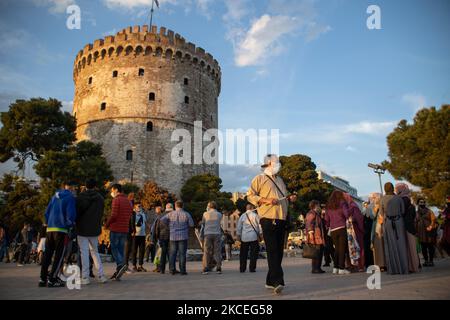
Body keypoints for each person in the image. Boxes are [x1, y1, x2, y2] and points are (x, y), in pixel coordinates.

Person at [247, 154, 297, 294]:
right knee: (273, 250)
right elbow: (250, 196)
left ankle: (269, 280)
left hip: (281, 218)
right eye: (276, 162)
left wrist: (290, 198)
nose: (278, 165)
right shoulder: (259, 178)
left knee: (279, 251)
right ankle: (277, 281)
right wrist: (265, 200)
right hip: (268, 218)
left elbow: (284, 197)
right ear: (268, 163)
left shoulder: (280, 180)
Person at [39, 181, 77, 288]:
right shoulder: (70, 197)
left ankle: (42, 279)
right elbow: (71, 214)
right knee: (59, 256)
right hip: (61, 230)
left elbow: (47, 212)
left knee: (47, 255)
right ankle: (52, 279)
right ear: (72, 188)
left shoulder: (54, 196)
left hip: (50, 229)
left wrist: (48, 223)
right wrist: (69, 224)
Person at [75, 178, 108, 285]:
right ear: (95, 186)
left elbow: (77, 213)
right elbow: (100, 214)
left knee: (84, 253)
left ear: (85, 186)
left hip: (82, 228)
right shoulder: (100, 198)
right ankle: (101, 275)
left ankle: (85, 277)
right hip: (94, 228)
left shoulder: (80, 197)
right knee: (95, 252)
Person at [105, 183, 133, 280]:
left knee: (114, 249)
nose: (111, 192)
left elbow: (114, 215)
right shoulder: (128, 201)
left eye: (112, 190)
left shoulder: (116, 200)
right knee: (120, 250)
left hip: (116, 228)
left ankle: (121, 265)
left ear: (116, 190)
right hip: (124, 229)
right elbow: (130, 215)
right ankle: (118, 271)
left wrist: (107, 224)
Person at [380, 182, 408, 274]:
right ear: (392, 188)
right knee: (401, 244)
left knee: (390, 245)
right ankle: (404, 269)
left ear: (385, 189)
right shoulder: (399, 198)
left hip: (388, 223)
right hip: (399, 221)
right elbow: (403, 211)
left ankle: (393, 269)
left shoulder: (382, 199)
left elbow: (381, 213)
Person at [161, 200, 194, 275]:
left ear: (175, 206)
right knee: (182, 254)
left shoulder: (171, 214)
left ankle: (172, 270)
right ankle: (182, 270)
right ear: (183, 206)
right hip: (183, 236)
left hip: (173, 236)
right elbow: (191, 224)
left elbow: (162, 220)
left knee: (172, 253)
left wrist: (168, 225)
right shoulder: (186, 214)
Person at [395, 183, 420, 273]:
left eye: (397, 189)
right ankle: (414, 265)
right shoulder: (408, 199)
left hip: (406, 226)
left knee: (410, 247)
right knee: (411, 247)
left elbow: (401, 212)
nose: (396, 191)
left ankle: (412, 267)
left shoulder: (404, 199)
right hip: (410, 226)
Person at [324, 190, 351, 275]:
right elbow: (347, 214)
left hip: (333, 230)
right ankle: (341, 268)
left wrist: (329, 225)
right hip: (342, 228)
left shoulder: (328, 206)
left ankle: (335, 268)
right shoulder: (342, 203)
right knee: (342, 249)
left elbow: (327, 220)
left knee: (337, 249)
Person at [237, 204, 262, 273]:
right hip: (253, 236)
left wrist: (238, 236)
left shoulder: (242, 216)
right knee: (253, 253)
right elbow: (260, 226)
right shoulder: (255, 215)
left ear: (246, 208)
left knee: (243, 254)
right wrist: (261, 234)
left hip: (244, 237)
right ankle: (252, 268)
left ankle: (242, 268)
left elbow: (239, 227)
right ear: (252, 208)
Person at [343, 193, 365, 272]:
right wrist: (362, 229)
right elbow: (360, 219)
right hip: (356, 229)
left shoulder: (348, 206)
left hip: (352, 230)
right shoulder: (353, 206)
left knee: (354, 247)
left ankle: (357, 265)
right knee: (359, 247)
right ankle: (360, 266)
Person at [201, 201, 223, 275]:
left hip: (208, 234)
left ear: (209, 207)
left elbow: (203, 223)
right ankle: (218, 268)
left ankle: (205, 268)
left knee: (207, 251)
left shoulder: (205, 214)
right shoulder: (219, 214)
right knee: (217, 251)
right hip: (217, 233)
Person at [305, 200, 326, 274]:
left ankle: (317, 268)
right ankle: (316, 268)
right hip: (315, 235)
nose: (319, 207)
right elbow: (309, 223)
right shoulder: (311, 213)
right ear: (315, 206)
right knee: (317, 252)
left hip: (317, 234)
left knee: (318, 252)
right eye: (318, 205)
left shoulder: (316, 213)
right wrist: (310, 233)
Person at [416, 198, 438, 267]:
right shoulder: (416, 212)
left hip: (429, 232)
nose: (422, 203)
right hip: (421, 232)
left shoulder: (429, 211)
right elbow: (415, 222)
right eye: (420, 202)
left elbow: (434, 220)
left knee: (430, 246)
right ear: (418, 203)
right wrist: (416, 231)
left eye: (423, 202)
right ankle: (426, 261)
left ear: (425, 203)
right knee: (423, 247)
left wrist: (431, 226)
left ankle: (431, 261)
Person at [153, 203, 171, 273]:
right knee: (170, 253)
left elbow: (157, 228)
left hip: (162, 237)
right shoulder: (173, 215)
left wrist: (157, 237)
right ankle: (171, 268)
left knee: (163, 253)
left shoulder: (160, 217)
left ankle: (162, 269)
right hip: (170, 236)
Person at [131, 202, 147, 272]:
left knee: (142, 251)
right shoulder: (133, 214)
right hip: (135, 235)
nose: (139, 207)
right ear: (135, 207)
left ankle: (140, 266)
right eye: (138, 206)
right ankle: (134, 266)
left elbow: (145, 223)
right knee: (134, 251)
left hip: (142, 235)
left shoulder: (143, 214)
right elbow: (131, 223)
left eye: (140, 206)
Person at [362, 201, 374, 269]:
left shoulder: (363, 212)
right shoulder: (370, 212)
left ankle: (367, 264)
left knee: (366, 248)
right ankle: (371, 262)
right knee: (369, 248)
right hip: (369, 231)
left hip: (365, 232)